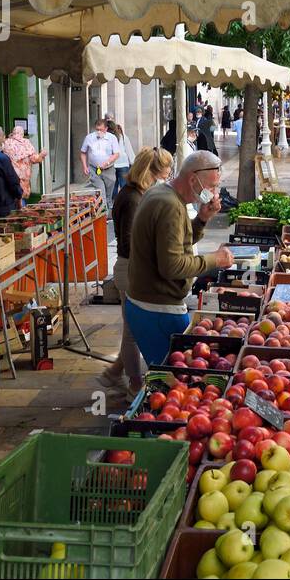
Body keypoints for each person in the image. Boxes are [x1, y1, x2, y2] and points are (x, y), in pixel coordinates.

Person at [125, 150, 235, 364]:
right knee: (170, 376)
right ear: (193, 179)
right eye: (211, 186)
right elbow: (172, 266)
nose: (213, 193)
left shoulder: (163, 193)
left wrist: (202, 219)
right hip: (156, 308)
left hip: (148, 303)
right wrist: (215, 259)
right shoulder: (169, 205)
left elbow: (174, 244)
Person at [100, 146, 175, 395]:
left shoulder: (138, 193)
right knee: (132, 332)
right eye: (165, 173)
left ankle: (113, 373)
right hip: (130, 269)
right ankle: (134, 382)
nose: (167, 177)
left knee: (133, 327)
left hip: (132, 268)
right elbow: (130, 243)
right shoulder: (133, 198)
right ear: (151, 172)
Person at [80, 117, 121, 209]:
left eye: (101, 130)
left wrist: (107, 162)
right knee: (101, 190)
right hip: (94, 169)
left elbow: (117, 154)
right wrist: (84, 166)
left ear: (106, 129)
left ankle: (108, 205)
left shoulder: (112, 138)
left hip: (108, 169)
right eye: (97, 129)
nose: (99, 132)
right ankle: (104, 211)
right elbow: (83, 152)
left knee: (108, 191)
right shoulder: (89, 138)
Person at [2, 124, 48, 201]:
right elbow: (34, 159)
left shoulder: (6, 142)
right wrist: (42, 154)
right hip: (23, 176)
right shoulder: (26, 143)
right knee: (21, 196)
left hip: (10, 176)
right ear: (22, 133)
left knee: (13, 196)